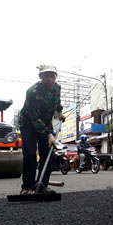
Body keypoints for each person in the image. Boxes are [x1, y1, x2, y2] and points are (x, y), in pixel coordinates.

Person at [18, 65, 64, 194]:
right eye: (46, 76)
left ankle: (42, 186)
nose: (49, 79)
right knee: (31, 153)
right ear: (40, 77)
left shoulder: (57, 87)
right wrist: (48, 134)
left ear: (56, 76)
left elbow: (57, 100)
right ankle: (27, 187)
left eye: (52, 76)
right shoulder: (32, 92)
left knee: (48, 154)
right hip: (28, 123)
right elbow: (34, 118)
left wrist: (59, 112)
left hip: (45, 122)